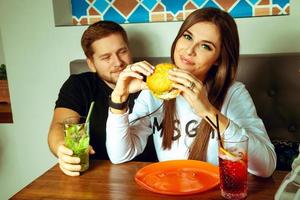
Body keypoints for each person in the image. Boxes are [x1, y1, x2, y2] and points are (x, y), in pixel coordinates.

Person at [106, 7, 277, 177]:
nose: (189, 50)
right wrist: (119, 99)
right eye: (187, 37)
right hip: (169, 190)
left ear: (218, 59)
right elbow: (120, 155)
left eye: (205, 46)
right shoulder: (154, 92)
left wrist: (208, 111)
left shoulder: (234, 93)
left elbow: (266, 167)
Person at [48, 21, 157, 176]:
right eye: (106, 57)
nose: (118, 62)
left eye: (122, 51)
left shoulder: (153, 83)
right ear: (91, 64)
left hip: (149, 174)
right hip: (94, 175)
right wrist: (62, 148)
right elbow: (60, 124)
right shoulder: (79, 85)